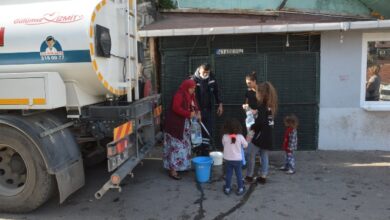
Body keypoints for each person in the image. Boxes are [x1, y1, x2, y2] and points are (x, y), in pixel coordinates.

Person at [163, 79, 201, 180]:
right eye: (192, 88)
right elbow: (176, 108)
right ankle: (173, 170)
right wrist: (188, 114)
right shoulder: (179, 95)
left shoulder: (190, 94)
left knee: (184, 146)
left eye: (194, 88)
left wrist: (198, 112)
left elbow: (194, 103)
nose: (193, 90)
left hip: (184, 126)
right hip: (175, 126)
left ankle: (182, 166)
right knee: (176, 147)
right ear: (187, 87)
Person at [244, 81, 278, 184]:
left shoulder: (262, 106)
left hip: (259, 136)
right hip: (267, 136)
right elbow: (269, 122)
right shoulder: (271, 106)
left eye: (258, 92)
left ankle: (249, 176)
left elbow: (259, 122)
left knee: (250, 154)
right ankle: (263, 176)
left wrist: (251, 130)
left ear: (262, 93)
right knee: (264, 155)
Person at [191, 63, 223, 155]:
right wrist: (197, 111)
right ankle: (197, 151)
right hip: (196, 111)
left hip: (208, 110)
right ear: (200, 70)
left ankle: (205, 151)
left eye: (207, 72)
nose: (205, 74)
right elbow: (193, 98)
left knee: (207, 130)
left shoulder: (212, 78)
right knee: (196, 131)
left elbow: (217, 91)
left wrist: (220, 104)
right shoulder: (194, 79)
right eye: (204, 72)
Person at [222, 118, 248, 195]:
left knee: (228, 174)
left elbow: (224, 145)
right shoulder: (240, 137)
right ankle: (240, 188)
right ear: (238, 127)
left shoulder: (224, 136)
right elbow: (245, 145)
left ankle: (227, 188)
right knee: (239, 174)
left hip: (228, 159)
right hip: (238, 159)